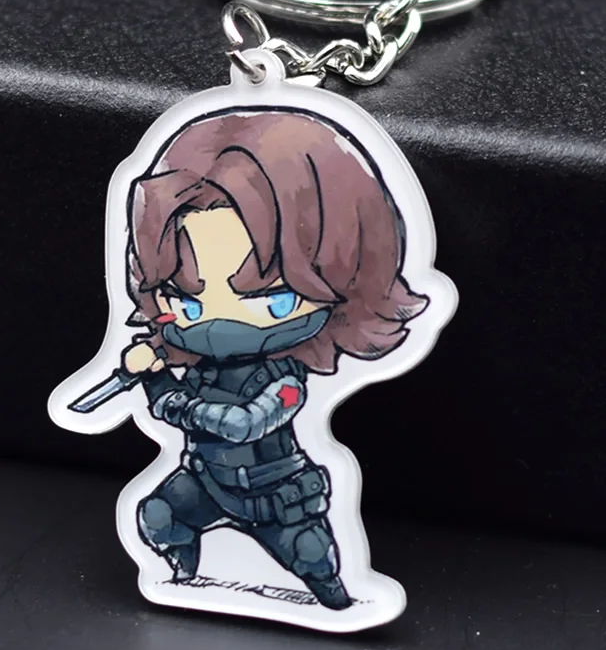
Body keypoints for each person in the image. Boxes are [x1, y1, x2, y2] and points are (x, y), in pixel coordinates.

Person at [121, 107, 429, 610]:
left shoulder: (283, 378)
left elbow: (243, 424)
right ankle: (182, 575)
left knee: (311, 556)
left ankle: (334, 595)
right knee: (159, 517)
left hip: (275, 495)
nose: (220, 321)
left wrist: (174, 402)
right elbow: (167, 402)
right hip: (205, 482)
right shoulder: (203, 368)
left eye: (272, 299)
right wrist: (151, 375)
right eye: (188, 301)